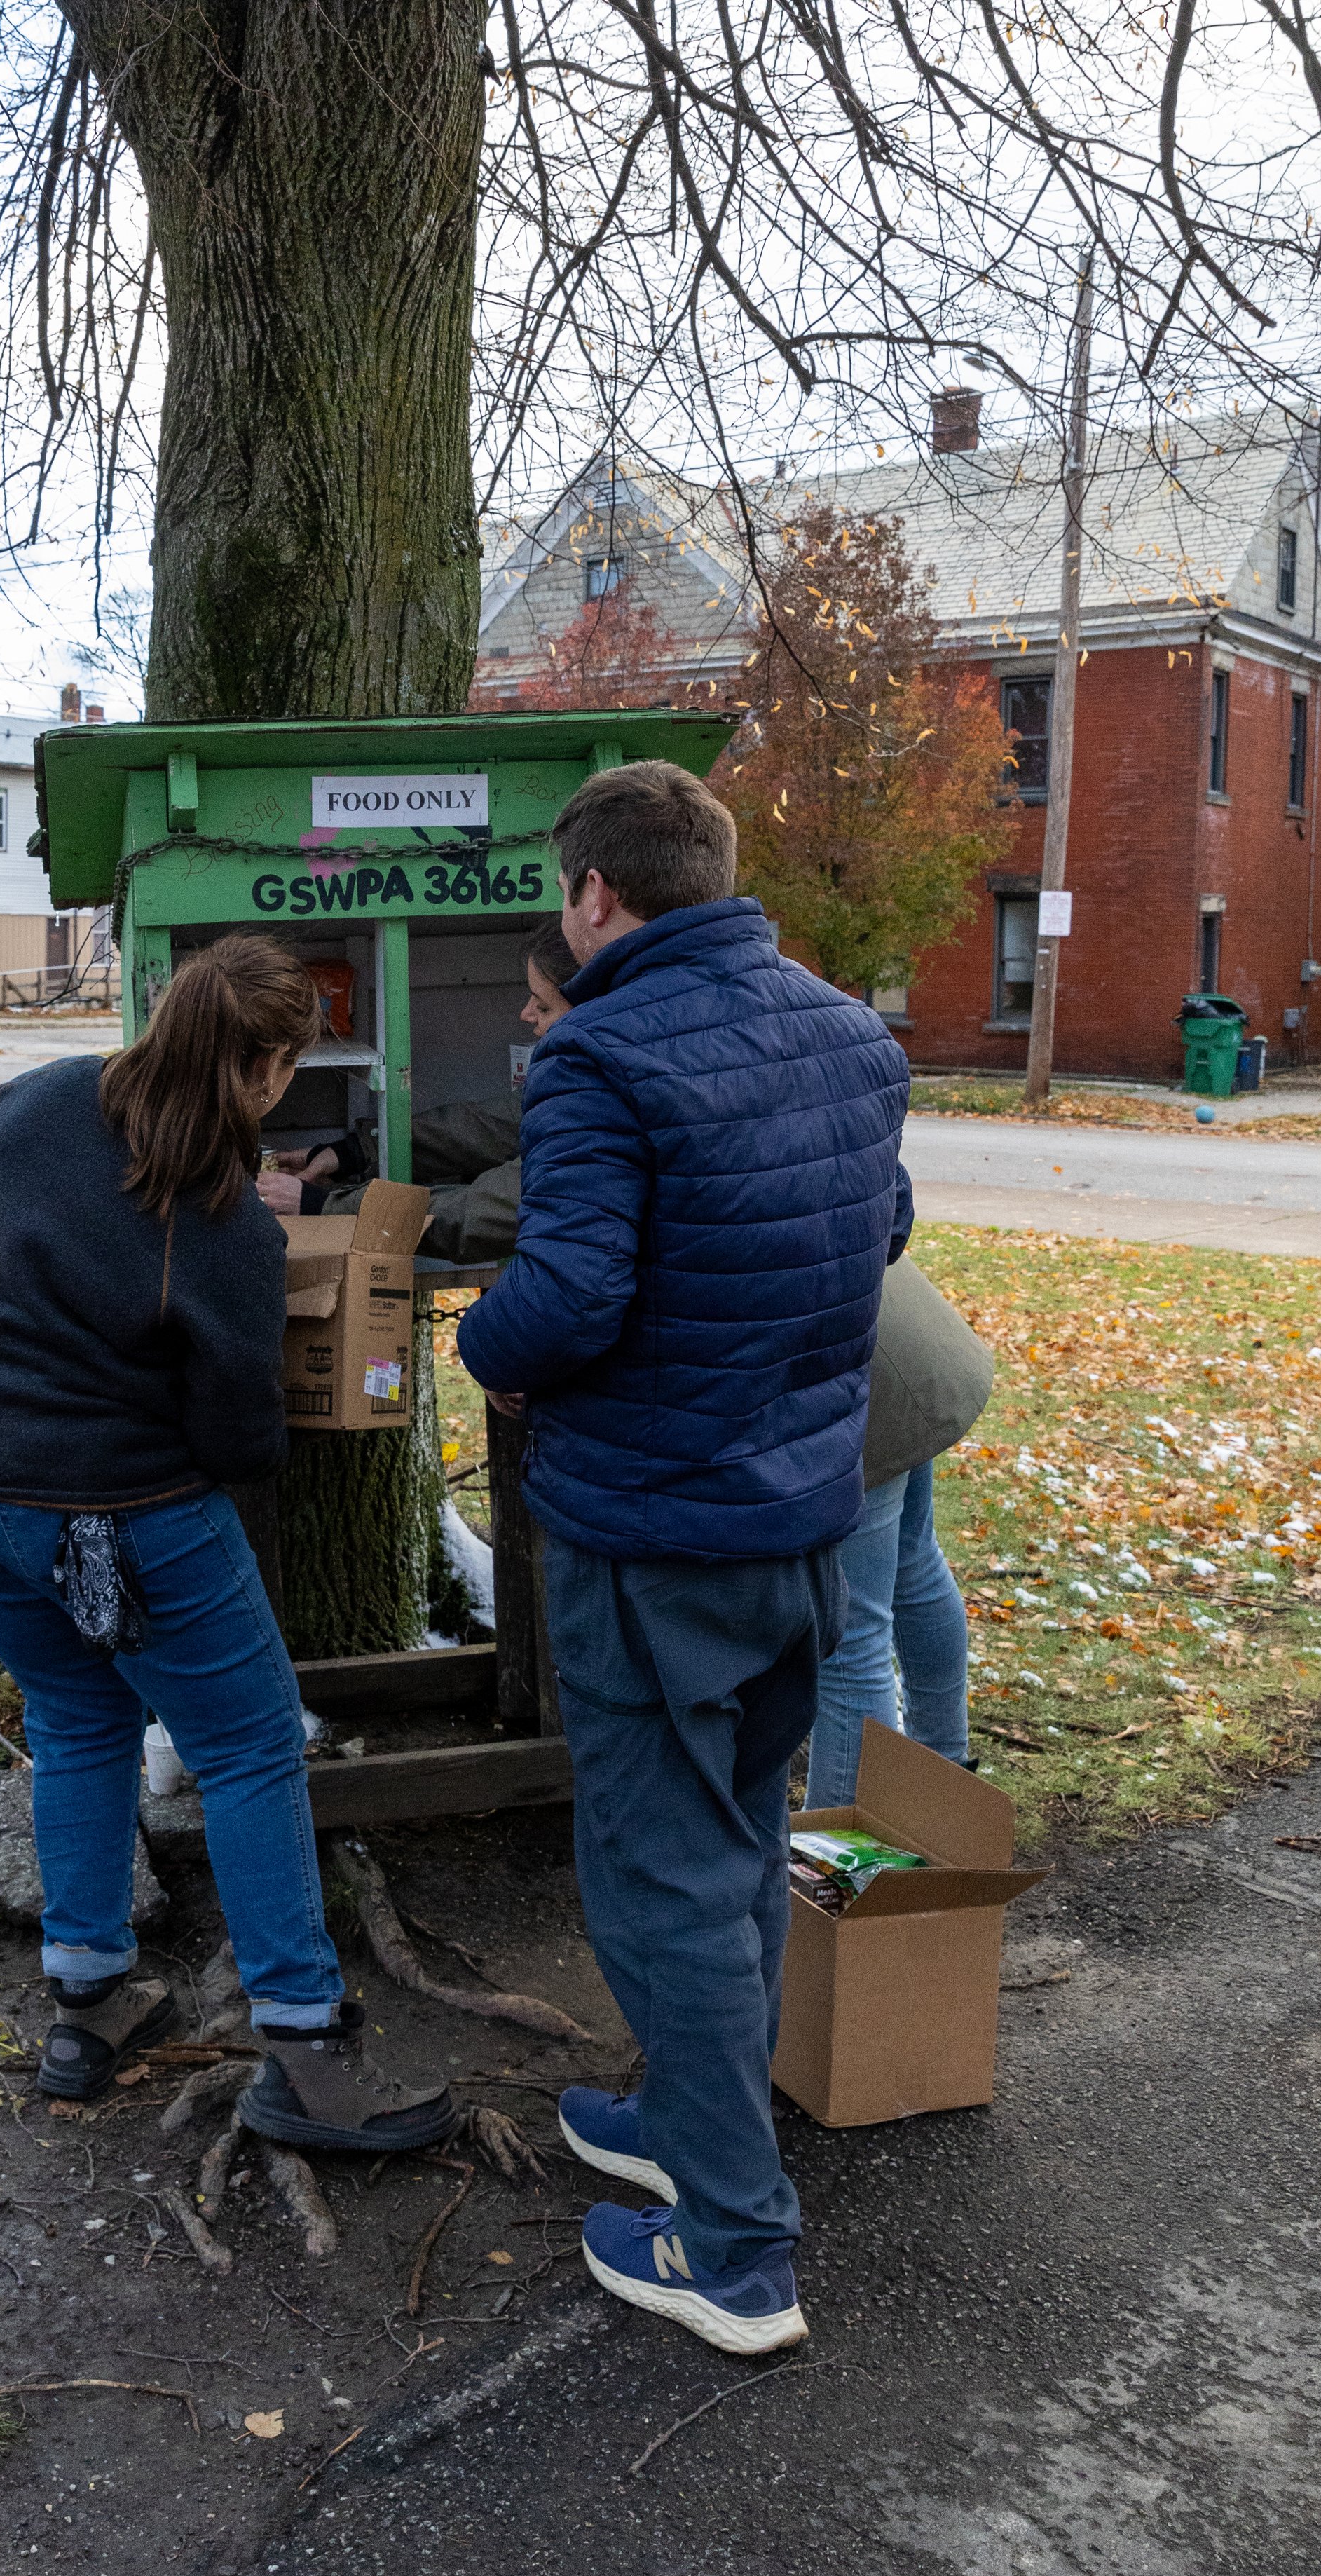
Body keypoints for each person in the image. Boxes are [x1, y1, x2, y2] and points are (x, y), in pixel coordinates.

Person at [456, 761, 911, 2357]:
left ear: (594, 893)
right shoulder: (849, 1033)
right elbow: (880, 1228)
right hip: (798, 1523)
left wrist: (484, 1347)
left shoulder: (598, 1050)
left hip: (651, 1533)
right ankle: (682, 2116)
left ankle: (733, 2250)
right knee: (738, 1844)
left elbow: (568, 1295)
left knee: (668, 1877)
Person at [0, 930, 452, 2153]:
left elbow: (12, 1209)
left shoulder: (37, 1100)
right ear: (268, 1067)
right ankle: (306, 2049)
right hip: (114, 1510)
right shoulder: (225, 1229)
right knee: (249, 1747)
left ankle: (89, 2000)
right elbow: (241, 1441)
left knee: (76, 1717)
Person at [254, 915, 578, 1262]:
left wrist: (325, 1206)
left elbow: (481, 1213)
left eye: (543, 1006)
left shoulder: (598, 1102)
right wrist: (354, 1154)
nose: (526, 1014)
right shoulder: (580, 1076)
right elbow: (484, 1128)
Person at [807, 1259, 994, 1808]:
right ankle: (944, 1785)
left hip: (852, 1370)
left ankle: (849, 1844)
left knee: (848, 1628)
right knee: (913, 1564)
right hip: (895, 1341)